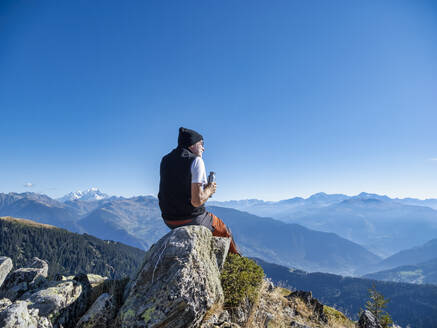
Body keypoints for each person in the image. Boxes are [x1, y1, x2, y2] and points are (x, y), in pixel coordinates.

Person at [158, 127, 239, 254]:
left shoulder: (166, 160)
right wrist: (209, 190)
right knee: (223, 229)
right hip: (190, 218)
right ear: (192, 145)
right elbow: (197, 201)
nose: (203, 148)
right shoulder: (196, 161)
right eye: (201, 144)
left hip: (168, 219)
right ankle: (238, 265)